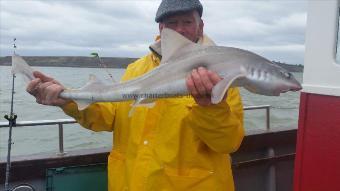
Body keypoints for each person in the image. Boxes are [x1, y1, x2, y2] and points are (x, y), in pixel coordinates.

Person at [26, 0, 244, 190]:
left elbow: (228, 143)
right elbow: (110, 117)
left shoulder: (221, 74)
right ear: (161, 28)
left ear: (200, 26)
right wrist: (67, 100)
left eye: (187, 22)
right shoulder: (136, 69)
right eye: (171, 24)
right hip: (128, 183)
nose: (180, 30)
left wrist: (211, 107)